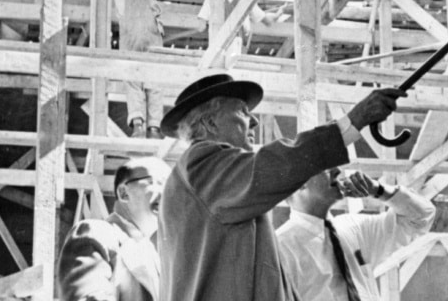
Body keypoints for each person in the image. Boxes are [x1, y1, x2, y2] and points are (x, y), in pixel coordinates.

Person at [158, 73, 404, 301]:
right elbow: (275, 164)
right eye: (243, 111)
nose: (254, 121)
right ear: (210, 123)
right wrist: (353, 122)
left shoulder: (212, 179)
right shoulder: (201, 164)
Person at [276, 168, 435, 301]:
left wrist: (377, 189)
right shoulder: (279, 247)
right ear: (301, 184)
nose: (337, 171)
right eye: (325, 167)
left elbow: (421, 217)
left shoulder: (353, 227)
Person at [57, 156, 171, 301]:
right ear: (124, 193)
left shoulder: (155, 255)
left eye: (170, 187)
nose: (167, 194)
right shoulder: (96, 233)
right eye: (158, 182)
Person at [112, 0, 172, 138]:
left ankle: (138, 125)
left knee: (132, 80)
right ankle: (154, 127)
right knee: (154, 79)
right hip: (151, 36)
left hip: (130, 37)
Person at [197, 0, 286, 54]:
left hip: (216, 50)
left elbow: (201, 27)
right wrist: (278, 14)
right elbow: (268, 21)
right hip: (237, 49)